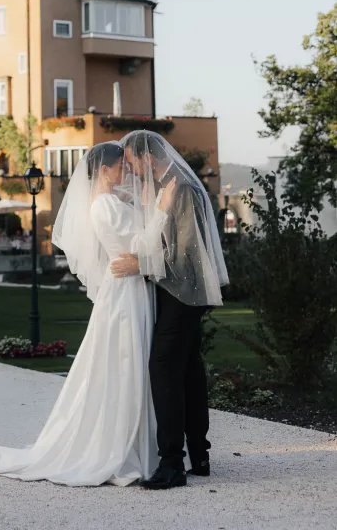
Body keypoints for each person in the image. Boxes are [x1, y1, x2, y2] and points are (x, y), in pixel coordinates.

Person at [0, 141, 160, 486]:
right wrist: (157, 213)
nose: (127, 172)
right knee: (125, 362)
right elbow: (145, 245)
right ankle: (122, 445)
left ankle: (139, 441)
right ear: (104, 170)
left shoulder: (111, 202)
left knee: (129, 362)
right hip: (127, 290)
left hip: (128, 285)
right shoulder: (106, 205)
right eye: (121, 166)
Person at [110, 130, 229, 490]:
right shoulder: (162, 189)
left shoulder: (184, 190)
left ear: (147, 157)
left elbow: (189, 254)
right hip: (173, 292)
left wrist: (141, 264)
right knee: (189, 370)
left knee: (162, 367)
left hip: (185, 293)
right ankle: (199, 455)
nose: (129, 170)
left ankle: (172, 464)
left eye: (131, 161)